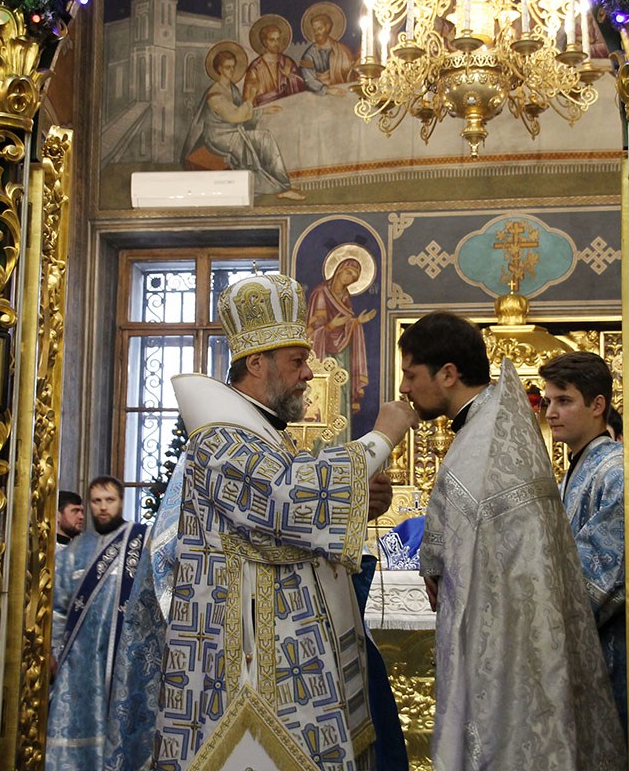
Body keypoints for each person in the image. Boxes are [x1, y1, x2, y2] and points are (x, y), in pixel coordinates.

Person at [104, 272, 418, 771]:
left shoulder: (261, 435)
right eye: (297, 361)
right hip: (245, 668)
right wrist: (381, 437)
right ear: (256, 363)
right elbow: (286, 498)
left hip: (283, 658)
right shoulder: (218, 439)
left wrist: (357, 505)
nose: (308, 374)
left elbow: (276, 533)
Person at [397, 312, 624, 770]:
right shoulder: (492, 430)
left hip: (516, 657)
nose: (404, 387)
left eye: (410, 374)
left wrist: (438, 565)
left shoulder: (488, 445)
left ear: (448, 374)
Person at [539, 350, 628, 732]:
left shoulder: (615, 472)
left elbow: (601, 572)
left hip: (605, 653)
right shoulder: (577, 471)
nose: (551, 413)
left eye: (564, 401)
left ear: (597, 405)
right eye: (548, 402)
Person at [47, 475, 146, 770]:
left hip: (127, 657)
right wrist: (53, 651)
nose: (103, 507)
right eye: (96, 501)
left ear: (120, 502)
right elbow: (58, 608)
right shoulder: (75, 551)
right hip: (81, 663)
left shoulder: (142, 542)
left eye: (109, 500)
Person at [181, 41, 305, 201]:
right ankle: (275, 189)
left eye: (233, 66)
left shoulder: (232, 88)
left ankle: (283, 183)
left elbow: (242, 112)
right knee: (244, 146)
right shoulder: (215, 94)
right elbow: (236, 116)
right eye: (227, 67)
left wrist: (262, 111)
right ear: (219, 69)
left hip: (233, 131)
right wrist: (252, 98)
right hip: (218, 136)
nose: (231, 70)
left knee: (265, 138)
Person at [307, 254, 377, 424]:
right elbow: (312, 331)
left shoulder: (345, 296)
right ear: (339, 270)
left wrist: (358, 322)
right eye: (348, 273)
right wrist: (331, 326)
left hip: (343, 352)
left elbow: (346, 323)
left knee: (342, 390)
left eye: (354, 277)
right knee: (326, 392)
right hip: (323, 353)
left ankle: (342, 435)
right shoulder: (321, 293)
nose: (349, 279)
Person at [243, 15, 305, 106]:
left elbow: (301, 89)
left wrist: (290, 76)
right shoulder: (255, 68)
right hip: (266, 109)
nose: (276, 43)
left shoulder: (287, 62)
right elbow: (248, 102)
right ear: (265, 42)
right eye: (272, 40)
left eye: (278, 39)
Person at [300, 3, 356, 96]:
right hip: (319, 97)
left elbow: (351, 74)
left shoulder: (341, 50)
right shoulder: (309, 54)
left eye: (319, 28)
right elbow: (308, 79)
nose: (317, 33)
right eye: (314, 30)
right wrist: (327, 90)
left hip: (341, 93)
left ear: (327, 28)